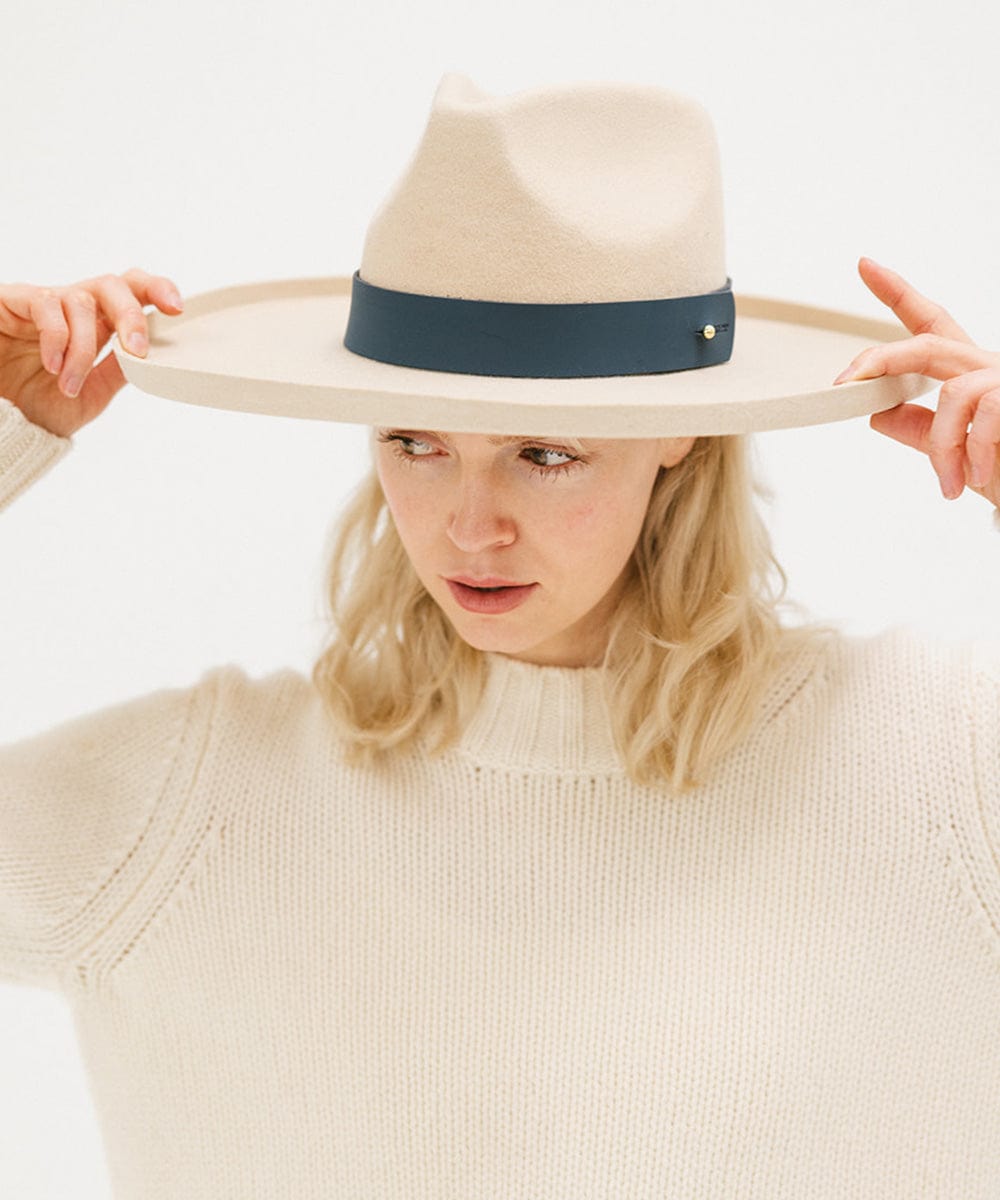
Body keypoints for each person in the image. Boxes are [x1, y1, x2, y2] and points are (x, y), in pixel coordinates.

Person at [1, 74, 998, 1200]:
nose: (468, 526)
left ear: (676, 437)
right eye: (415, 443)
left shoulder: (931, 774)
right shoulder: (197, 803)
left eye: (546, 452)